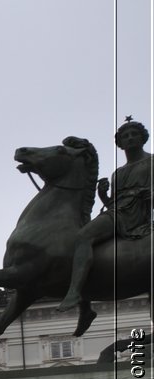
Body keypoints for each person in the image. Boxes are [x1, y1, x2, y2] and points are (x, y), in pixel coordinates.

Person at [60, 118, 152, 316]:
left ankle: (76, 293)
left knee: (84, 236)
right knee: (82, 238)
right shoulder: (118, 173)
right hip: (118, 212)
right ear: (120, 143)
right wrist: (104, 195)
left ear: (142, 138)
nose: (129, 138)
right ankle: (85, 304)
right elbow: (114, 203)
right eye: (125, 136)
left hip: (138, 213)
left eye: (133, 134)